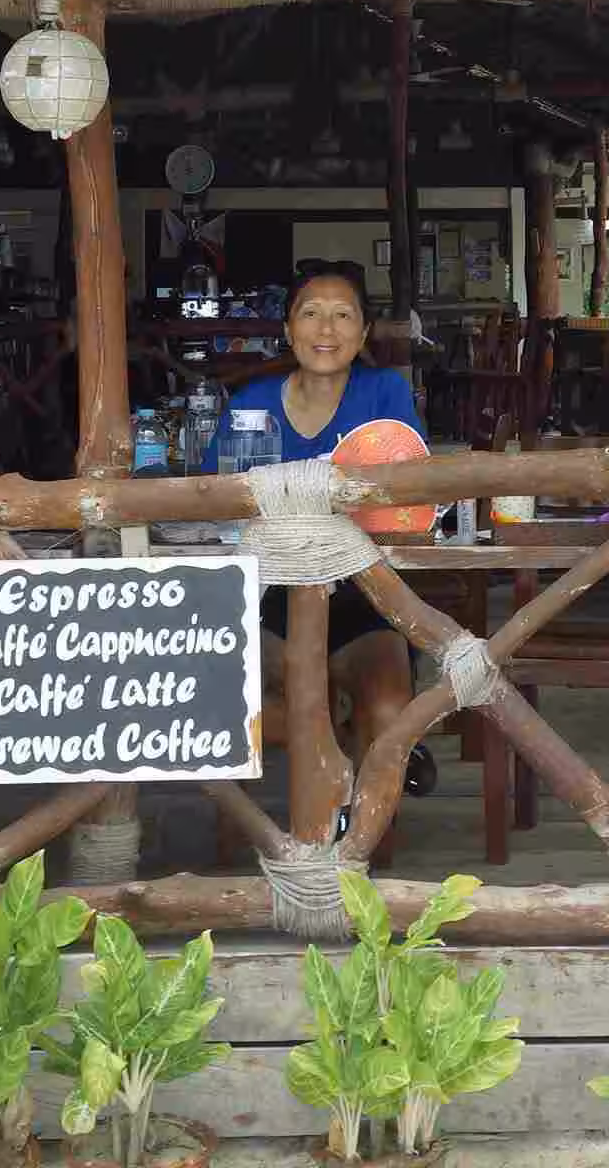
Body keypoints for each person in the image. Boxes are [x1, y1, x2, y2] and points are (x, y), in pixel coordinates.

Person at [209, 261, 435, 815]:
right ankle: (327, 796)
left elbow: (409, 489)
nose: (326, 329)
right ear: (289, 330)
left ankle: (362, 839)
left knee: (389, 711)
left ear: (363, 332)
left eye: (343, 316)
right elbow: (217, 496)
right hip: (269, 601)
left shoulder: (383, 392)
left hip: (366, 595)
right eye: (310, 314)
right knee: (264, 709)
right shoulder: (252, 404)